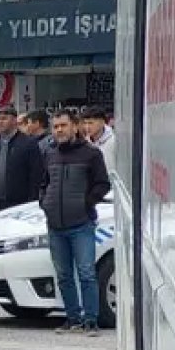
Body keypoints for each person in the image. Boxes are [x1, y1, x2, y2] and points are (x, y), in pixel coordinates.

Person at [41, 110, 111, 336]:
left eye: (63, 125)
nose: (59, 130)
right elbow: (43, 183)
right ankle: (72, 318)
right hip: (55, 225)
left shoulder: (91, 154)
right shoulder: (50, 153)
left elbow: (103, 183)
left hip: (81, 224)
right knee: (63, 275)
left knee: (86, 273)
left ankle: (91, 320)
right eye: (55, 126)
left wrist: (86, 203)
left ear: (75, 127)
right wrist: (45, 203)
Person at [0, 106, 45, 214]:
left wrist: (32, 202)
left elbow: (36, 175)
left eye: (4, 118)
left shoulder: (28, 143)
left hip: (18, 204)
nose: (0, 122)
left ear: (14, 120)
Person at [81, 106, 117, 173]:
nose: (87, 127)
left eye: (90, 123)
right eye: (85, 123)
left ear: (102, 122)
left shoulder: (114, 141)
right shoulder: (84, 143)